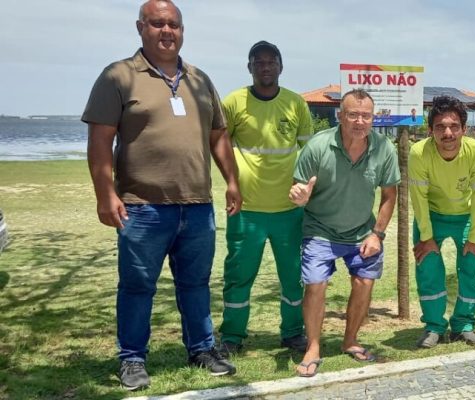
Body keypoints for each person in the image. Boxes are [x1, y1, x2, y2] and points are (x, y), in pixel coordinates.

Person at [82, 0, 241, 391]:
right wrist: (106, 194)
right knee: (137, 286)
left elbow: (218, 135)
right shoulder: (118, 75)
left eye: (174, 24)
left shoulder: (200, 79)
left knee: (196, 283)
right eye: (157, 24)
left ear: (182, 31)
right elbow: (101, 140)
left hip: (198, 206)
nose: (166, 31)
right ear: (141, 28)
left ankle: (202, 349)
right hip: (142, 207)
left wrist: (232, 181)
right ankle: (132, 358)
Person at [288, 89, 400, 377]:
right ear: (340, 116)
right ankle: (313, 347)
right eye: (352, 114)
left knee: (364, 282)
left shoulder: (384, 148)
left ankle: (350, 340)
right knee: (315, 283)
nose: (359, 121)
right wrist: (300, 196)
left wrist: (377, 234)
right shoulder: (317, 146)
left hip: (363, 230)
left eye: (366, 116)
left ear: (374, 119)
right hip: (320, 229)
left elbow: (389, 195)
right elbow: (300, 189)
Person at [216, 41, 313, 357]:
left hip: (288, 210)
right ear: (250, 67)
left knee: (293, 277)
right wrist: (231, 181)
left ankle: (292, 333)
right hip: (246, 210)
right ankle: (232, 335)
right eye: (259, 62)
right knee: (238, 277)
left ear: (281, 67)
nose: (266, 67)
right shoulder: (233, 102)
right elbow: (217, 142)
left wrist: (306, 192)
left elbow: (309, 153)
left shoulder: (296, 104)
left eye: (272, 62)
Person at [409, 95, 475, 349]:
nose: (448, 133)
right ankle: (434, 326)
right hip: (431, 215)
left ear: (464, 130)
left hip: (466, 216)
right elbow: (418, 198)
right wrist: (426, 237)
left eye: (454, 127)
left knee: (473, 265)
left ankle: (464, 325)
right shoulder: (419, 152)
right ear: (430, 130)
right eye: (440, 127)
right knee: (429, 265)